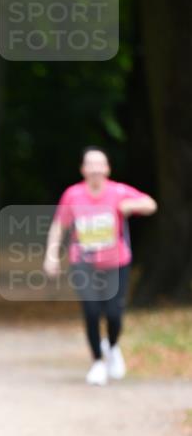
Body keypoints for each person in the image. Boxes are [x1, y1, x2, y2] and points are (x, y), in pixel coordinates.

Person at [44, 147, 157, 385]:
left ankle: (113, 346)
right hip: (84, 262)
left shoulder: (118, 191)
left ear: (107, 168)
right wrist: (52, 255)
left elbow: (150, 204)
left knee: (114, 314)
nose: (95, 169)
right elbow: (59, 226)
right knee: (92, 311)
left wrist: (131, 207)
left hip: (117, 262)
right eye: (90, 165)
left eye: (100, 164)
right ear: (83, 169)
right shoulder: (73, 195)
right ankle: (97, 362)